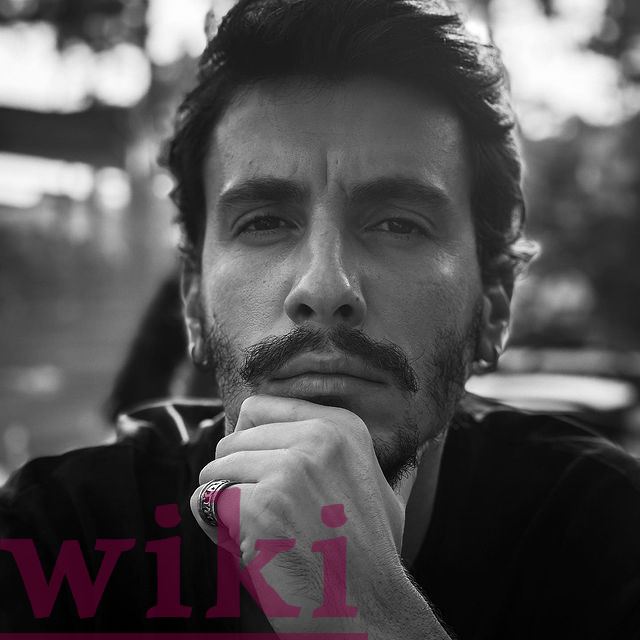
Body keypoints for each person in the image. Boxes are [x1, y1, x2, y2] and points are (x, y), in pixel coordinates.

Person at [1, 0, 640, 637]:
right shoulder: (54, 540)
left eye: (399, 224)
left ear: (494, 305)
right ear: (193, 304)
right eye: (264, 222)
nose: (325, 287)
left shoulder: (609, 536)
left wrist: (373, 613)